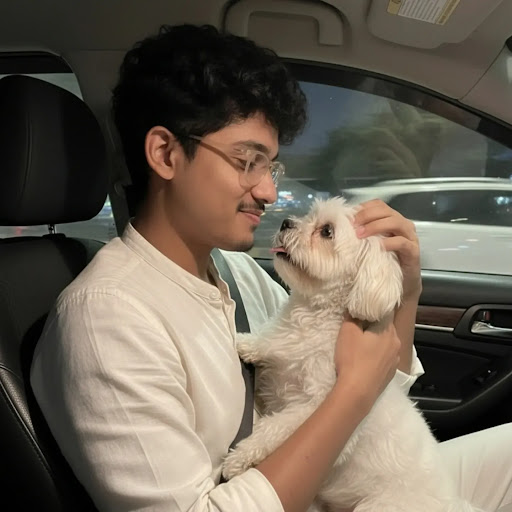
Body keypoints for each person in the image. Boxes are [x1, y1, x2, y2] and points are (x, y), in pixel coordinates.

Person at [30, 24, 512, 512]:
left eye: (271, 167)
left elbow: (376, 387)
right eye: (247, 161)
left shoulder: (236, 272)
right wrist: (352, 392)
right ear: (165, 154)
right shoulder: (108, 319)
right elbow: (357, 391)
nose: (269, 192)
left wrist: (405, 289)